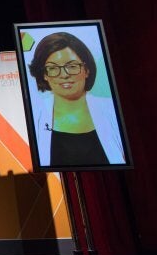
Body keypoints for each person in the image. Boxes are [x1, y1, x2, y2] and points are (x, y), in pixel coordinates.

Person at [28, 32, 125, 167]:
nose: (64, 75)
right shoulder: (35, 117)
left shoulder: (112, 111)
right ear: (44, 75)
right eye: (53, 68)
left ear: (87, 70)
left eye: (72, 66)